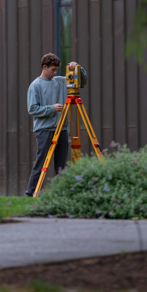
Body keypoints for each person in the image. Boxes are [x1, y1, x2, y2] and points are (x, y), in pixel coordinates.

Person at [25, 52, 88, 197]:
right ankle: (30, 193)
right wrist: (51, 108)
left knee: (61, 165)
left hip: (62, 129)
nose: (55, 73)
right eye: (53, 70)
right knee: (41, 163)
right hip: (45, 130)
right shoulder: (35, 86)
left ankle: (61, 194)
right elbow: (32, 109)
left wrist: (78, 68)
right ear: (44, 67)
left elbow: (82, 82)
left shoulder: (60, 81)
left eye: (56, 70)